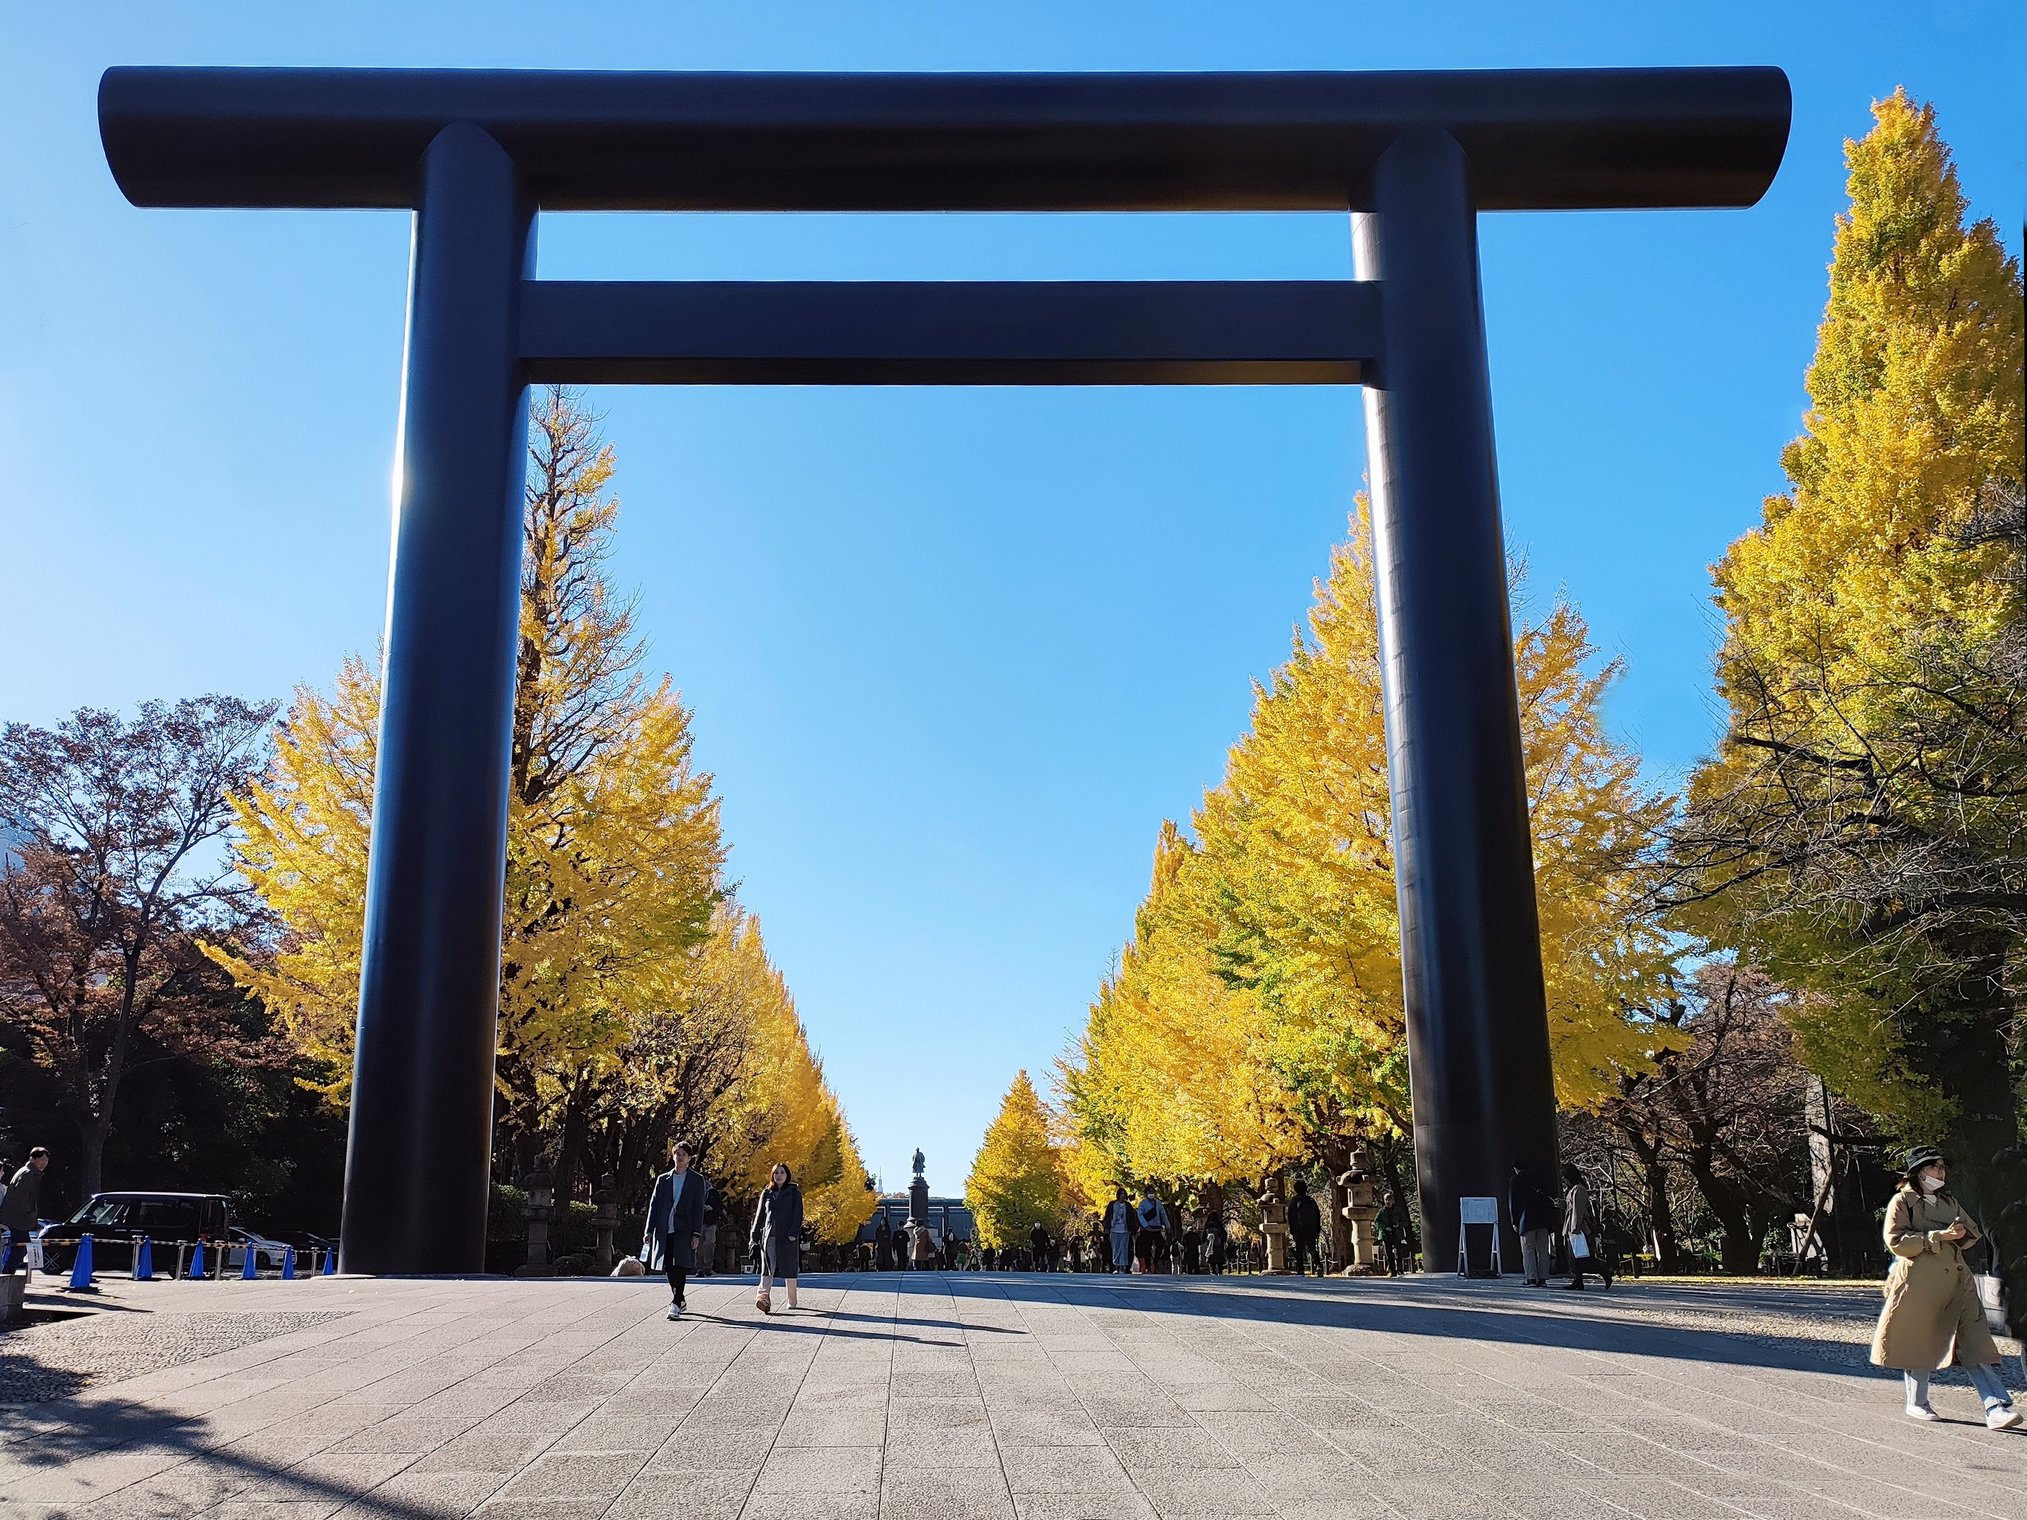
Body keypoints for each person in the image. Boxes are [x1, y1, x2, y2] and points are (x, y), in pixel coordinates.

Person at [1872, 1148, 2022, 1429]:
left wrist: (1963, 1234)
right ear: (1919, 1172)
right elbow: (1895, 1241)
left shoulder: (1948, 1201)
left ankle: (1996, 1407)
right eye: (1934, 1168)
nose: (1941, 1173)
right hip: (1920, 1283)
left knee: (1973, 1344)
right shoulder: (1903, 1201)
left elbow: (1972, 1231)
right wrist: (1938, 1236)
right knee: (1921, 1341)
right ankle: (1917, 1402)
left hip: (1956, 1282)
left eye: (1943, 1168)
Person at [641, 1140, 708, 1321]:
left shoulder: (696, 1180)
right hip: (665, 1227)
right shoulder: (663, 1179)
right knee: (669, 1266)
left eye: (683, 1155)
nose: (679, 1158)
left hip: (684, 1228)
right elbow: (654, 1206)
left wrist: (696, 1233)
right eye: (677, 1154)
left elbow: (697, 1208)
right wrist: (649, 1230)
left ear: (689, 1158)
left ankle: (676, 1302)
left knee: (680, 1264)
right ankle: (680, 1298)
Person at [750, 1161, 803, 1313]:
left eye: (782, 1172)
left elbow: (798, 1214)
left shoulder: (794, 1193)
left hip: (787, 1236)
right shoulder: (767, 1193)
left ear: (787, 1175)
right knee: (767, 1266)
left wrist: (794, 1232)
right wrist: (754, 1236)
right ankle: (763, 1298)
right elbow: (760, 1216)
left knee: (789, 1267)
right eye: (776, 1173)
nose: (779, 1175)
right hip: (769, 1236)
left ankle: (792, 1299)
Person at [1561, 1164, 1611, 1291]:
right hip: (1572, 1227)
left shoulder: (1578, 1190)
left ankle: (1602, 1270)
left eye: (1565, 1179)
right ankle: (1578, 1280)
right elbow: (1571, 1208)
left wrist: (1575, 1228)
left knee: (1581, 1257)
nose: (1564, 1182)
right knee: (1574, 1258)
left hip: (1578, 1228)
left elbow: (1578, 1211)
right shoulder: (1573, 1190)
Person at [1, 1148, 50, 1274]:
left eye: (46, 1160)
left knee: (20, 1247)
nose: (44, 1163)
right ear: (32, 1159)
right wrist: (28, 1215)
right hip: (18, 1218)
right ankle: (6, 1277)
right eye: (41, 1160)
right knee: (20, 1247)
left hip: (17, 1217)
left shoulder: (28, 1172)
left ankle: (7, 1276)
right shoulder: (28, 1174)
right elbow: (21, 1198)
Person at [1509, 1163, 1554, 1287]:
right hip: (1543, 1218)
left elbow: (1513, 1201)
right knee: (1543, 1249)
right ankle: (1543, 1279)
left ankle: (1531, 1278)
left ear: (1515, 1168)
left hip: (1526, 1219)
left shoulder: (1516, 1179)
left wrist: (1514, 1221)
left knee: (1528, 1249)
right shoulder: (1539, 1177)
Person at [1289, 1178, 1324, 1277]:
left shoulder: (1294, 1202)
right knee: (1312, 1248)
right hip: (1311, 1228)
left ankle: (1300, 1270)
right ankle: (1318, 1266)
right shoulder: (1311, 1201)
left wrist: (1293, 1230)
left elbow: (1291, 1217)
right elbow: (1317, 1215)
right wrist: (1317, 1228)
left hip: (1299, 1229)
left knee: (1299, 1249)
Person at [1104, 1187, 1133, 1274]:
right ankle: (1115, 1265)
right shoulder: (1112, 1204)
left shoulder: (1128, 1206)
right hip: (1114, 1229)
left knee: (1124, 1248)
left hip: (1125, 1229)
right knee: (1115, 1248)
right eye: (1121, 1194)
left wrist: (1132, 1229)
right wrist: (1107, 1228)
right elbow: (1107, 1216)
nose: (1122, 1196)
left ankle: (1123, 1266)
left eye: (1124, 1194)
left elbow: (1131, 1218)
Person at [697, 1181, 724, 1277]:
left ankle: (708, 1267)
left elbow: (720, 1208)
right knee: (699, 1246)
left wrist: (711, 1208)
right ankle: (700, 1268)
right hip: (699, 1222)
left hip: (711, 1222)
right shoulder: (698, 1192)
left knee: (709, 1244)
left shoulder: (714, 1193)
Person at [1203, 1207, 1228, 1276]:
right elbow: (1224, 1233)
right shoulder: (1219, 1224)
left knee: (1211, 1257)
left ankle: (1212, 1270)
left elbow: (1204, 1234)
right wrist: (1223, 1240)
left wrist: (1205, 1240)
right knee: (1219, 1258)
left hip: (1210, 1244)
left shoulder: (1207, 1225)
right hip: (1219, 1245)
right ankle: (1220, 1270)